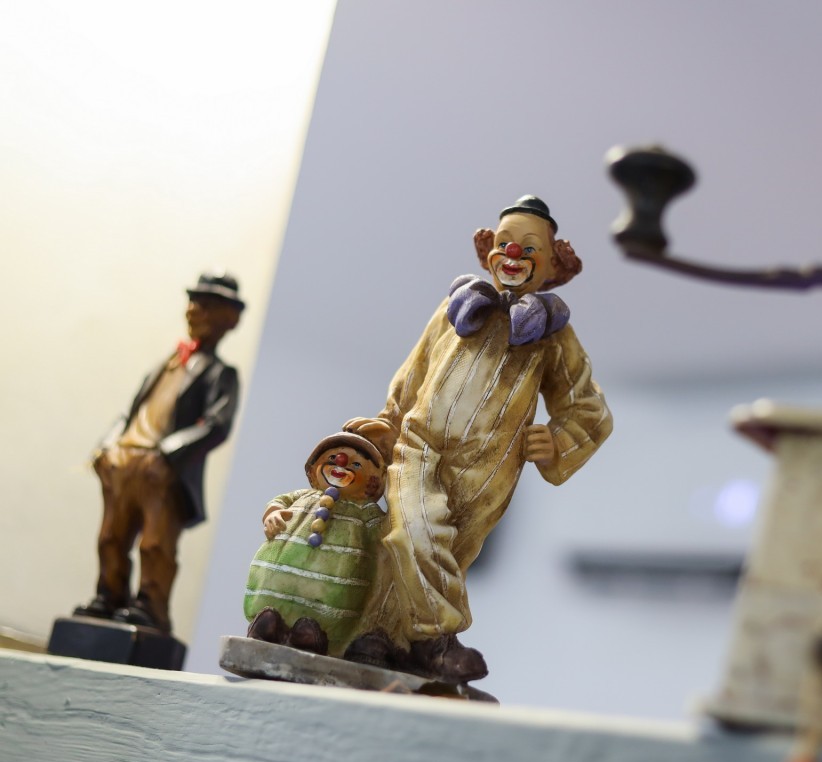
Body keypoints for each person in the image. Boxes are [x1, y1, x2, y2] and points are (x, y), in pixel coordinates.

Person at [345, 196, 612, 681]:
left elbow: (588, 408)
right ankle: (438, 637)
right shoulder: (455, 308)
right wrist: (389, 421)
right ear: (488, 252)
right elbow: (413, 373)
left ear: (552, 265)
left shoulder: (553, 336)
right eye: (505, 243)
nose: (513, 254)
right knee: (411, 528)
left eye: (529, 248)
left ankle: (381, 636)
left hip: (490, 467)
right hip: (419, 444)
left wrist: (558, 441)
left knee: (446, 549)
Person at [74, 273, 244, 633]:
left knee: (156, 543)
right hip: (125, 461)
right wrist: (106, 447)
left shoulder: (221, 373)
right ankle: (109, 596)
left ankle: (150, 606)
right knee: (110, 537)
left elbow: (217, 425)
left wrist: (167, 456)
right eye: (194, 302)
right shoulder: (165, 364)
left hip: (161, 472)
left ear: (229, 318)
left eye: (206, 305)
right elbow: (130, 412)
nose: (194, 310)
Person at [243, 432, 387, 659]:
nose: (341, 464)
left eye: (356, 464)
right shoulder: (303, 496)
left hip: (332, 585)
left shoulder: (364, 511)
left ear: (372, 482)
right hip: (280, 577)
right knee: (269, 618)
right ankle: (269, 624)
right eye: (332, 458)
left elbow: (384, 531)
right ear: (313, 469)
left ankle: (312, 634)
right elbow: (279, 502)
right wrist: (273, 514)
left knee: (312, 629)